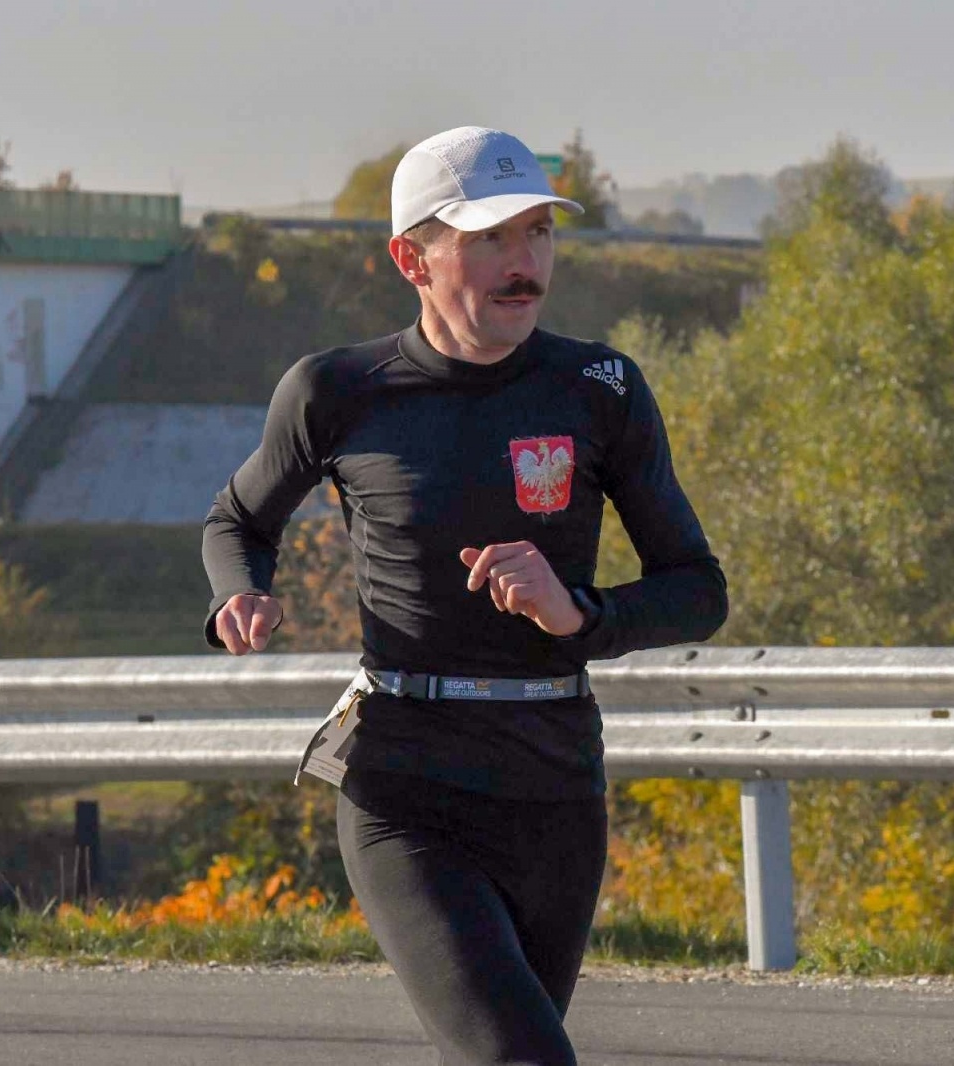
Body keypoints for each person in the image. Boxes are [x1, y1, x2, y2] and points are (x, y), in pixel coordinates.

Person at [200, 125, 728, 1065]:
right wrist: (243, 592)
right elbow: (237, 520)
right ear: (412, 258)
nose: (524, 264)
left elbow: (698, 591)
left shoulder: (599, 387)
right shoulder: (338, 390)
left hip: (557, 787)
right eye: (490, 238)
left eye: (538, 234)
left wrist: (581, 615)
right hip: (406, 787)